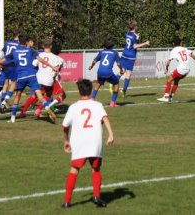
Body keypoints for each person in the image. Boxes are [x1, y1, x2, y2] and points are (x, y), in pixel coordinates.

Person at [61, 79, 114, 208]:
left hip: (79, 141)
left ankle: (67, 201)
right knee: (95, 168)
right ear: (91, 91)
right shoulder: (97, 105)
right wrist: (111, 134)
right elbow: (104, 118)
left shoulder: (73, 107)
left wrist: (66, 140)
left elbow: (64, 126)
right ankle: (96, 196)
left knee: (74, 169)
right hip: (95, 140)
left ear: (79, 91)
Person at [1, 36, 58, 123]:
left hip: (21, 76)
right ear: (27, 42)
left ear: (19, 42)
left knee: (17, 96)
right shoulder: (31, 50)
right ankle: (47, 108)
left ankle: (12, 118)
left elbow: (3, 60)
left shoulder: (14, 51)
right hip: (32, 76)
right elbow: (42, 60)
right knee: (40, 96)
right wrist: (52, 67)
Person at [22, 40, 63, 122]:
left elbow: (33, 65)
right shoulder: (55, 57)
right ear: (51, 46)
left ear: (43, 47)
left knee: (34, 95)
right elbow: (56, 70)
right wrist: (53, 77)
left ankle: (23, 112)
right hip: (48, 79)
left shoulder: (39, 55)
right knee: (48, 95)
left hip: (39, 78)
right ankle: (38, 110)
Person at [157, 37, 195, 103]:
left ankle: (166, 97)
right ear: (180, 43)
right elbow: (193, 55)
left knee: (169, 80)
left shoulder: (174, 50)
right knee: (176, 80)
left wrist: (166, 68)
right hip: (187, 70)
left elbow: (169, 61)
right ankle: (171, 97)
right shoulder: (185, 49)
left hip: (181, 68)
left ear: (173, 43)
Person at [116, 20, 150, 96]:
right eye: (136, 26)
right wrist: (145, 43)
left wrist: (137, 37)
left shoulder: (127, 33)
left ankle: (113, 83)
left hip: (124, 54)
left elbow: (131, 41)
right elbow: (134, 46)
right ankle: (123, 91)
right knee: (128, 73)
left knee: (122, 71)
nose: (137, 27)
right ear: (135, 27)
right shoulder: (134, 35)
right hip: (131, 56)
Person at [89, 39, 124, 107]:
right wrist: (121, 70)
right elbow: (119, 64)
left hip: (100, 72)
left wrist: (91, 66)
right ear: (112, 45)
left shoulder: (102, 52)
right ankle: (112, 103)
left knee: (98, 84)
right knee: (116, 84)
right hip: (108, 72)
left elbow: (94, 61)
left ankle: (92, 99)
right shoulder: (114, 52)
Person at [1, 33, 21, 107]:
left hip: (5, 64)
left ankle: (2, 101)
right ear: (18, 37)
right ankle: (5, 101)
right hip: (12, 65)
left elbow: (3, 51)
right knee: (13, 84)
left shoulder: (7, 42)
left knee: (5, 84)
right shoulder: (18, 44)